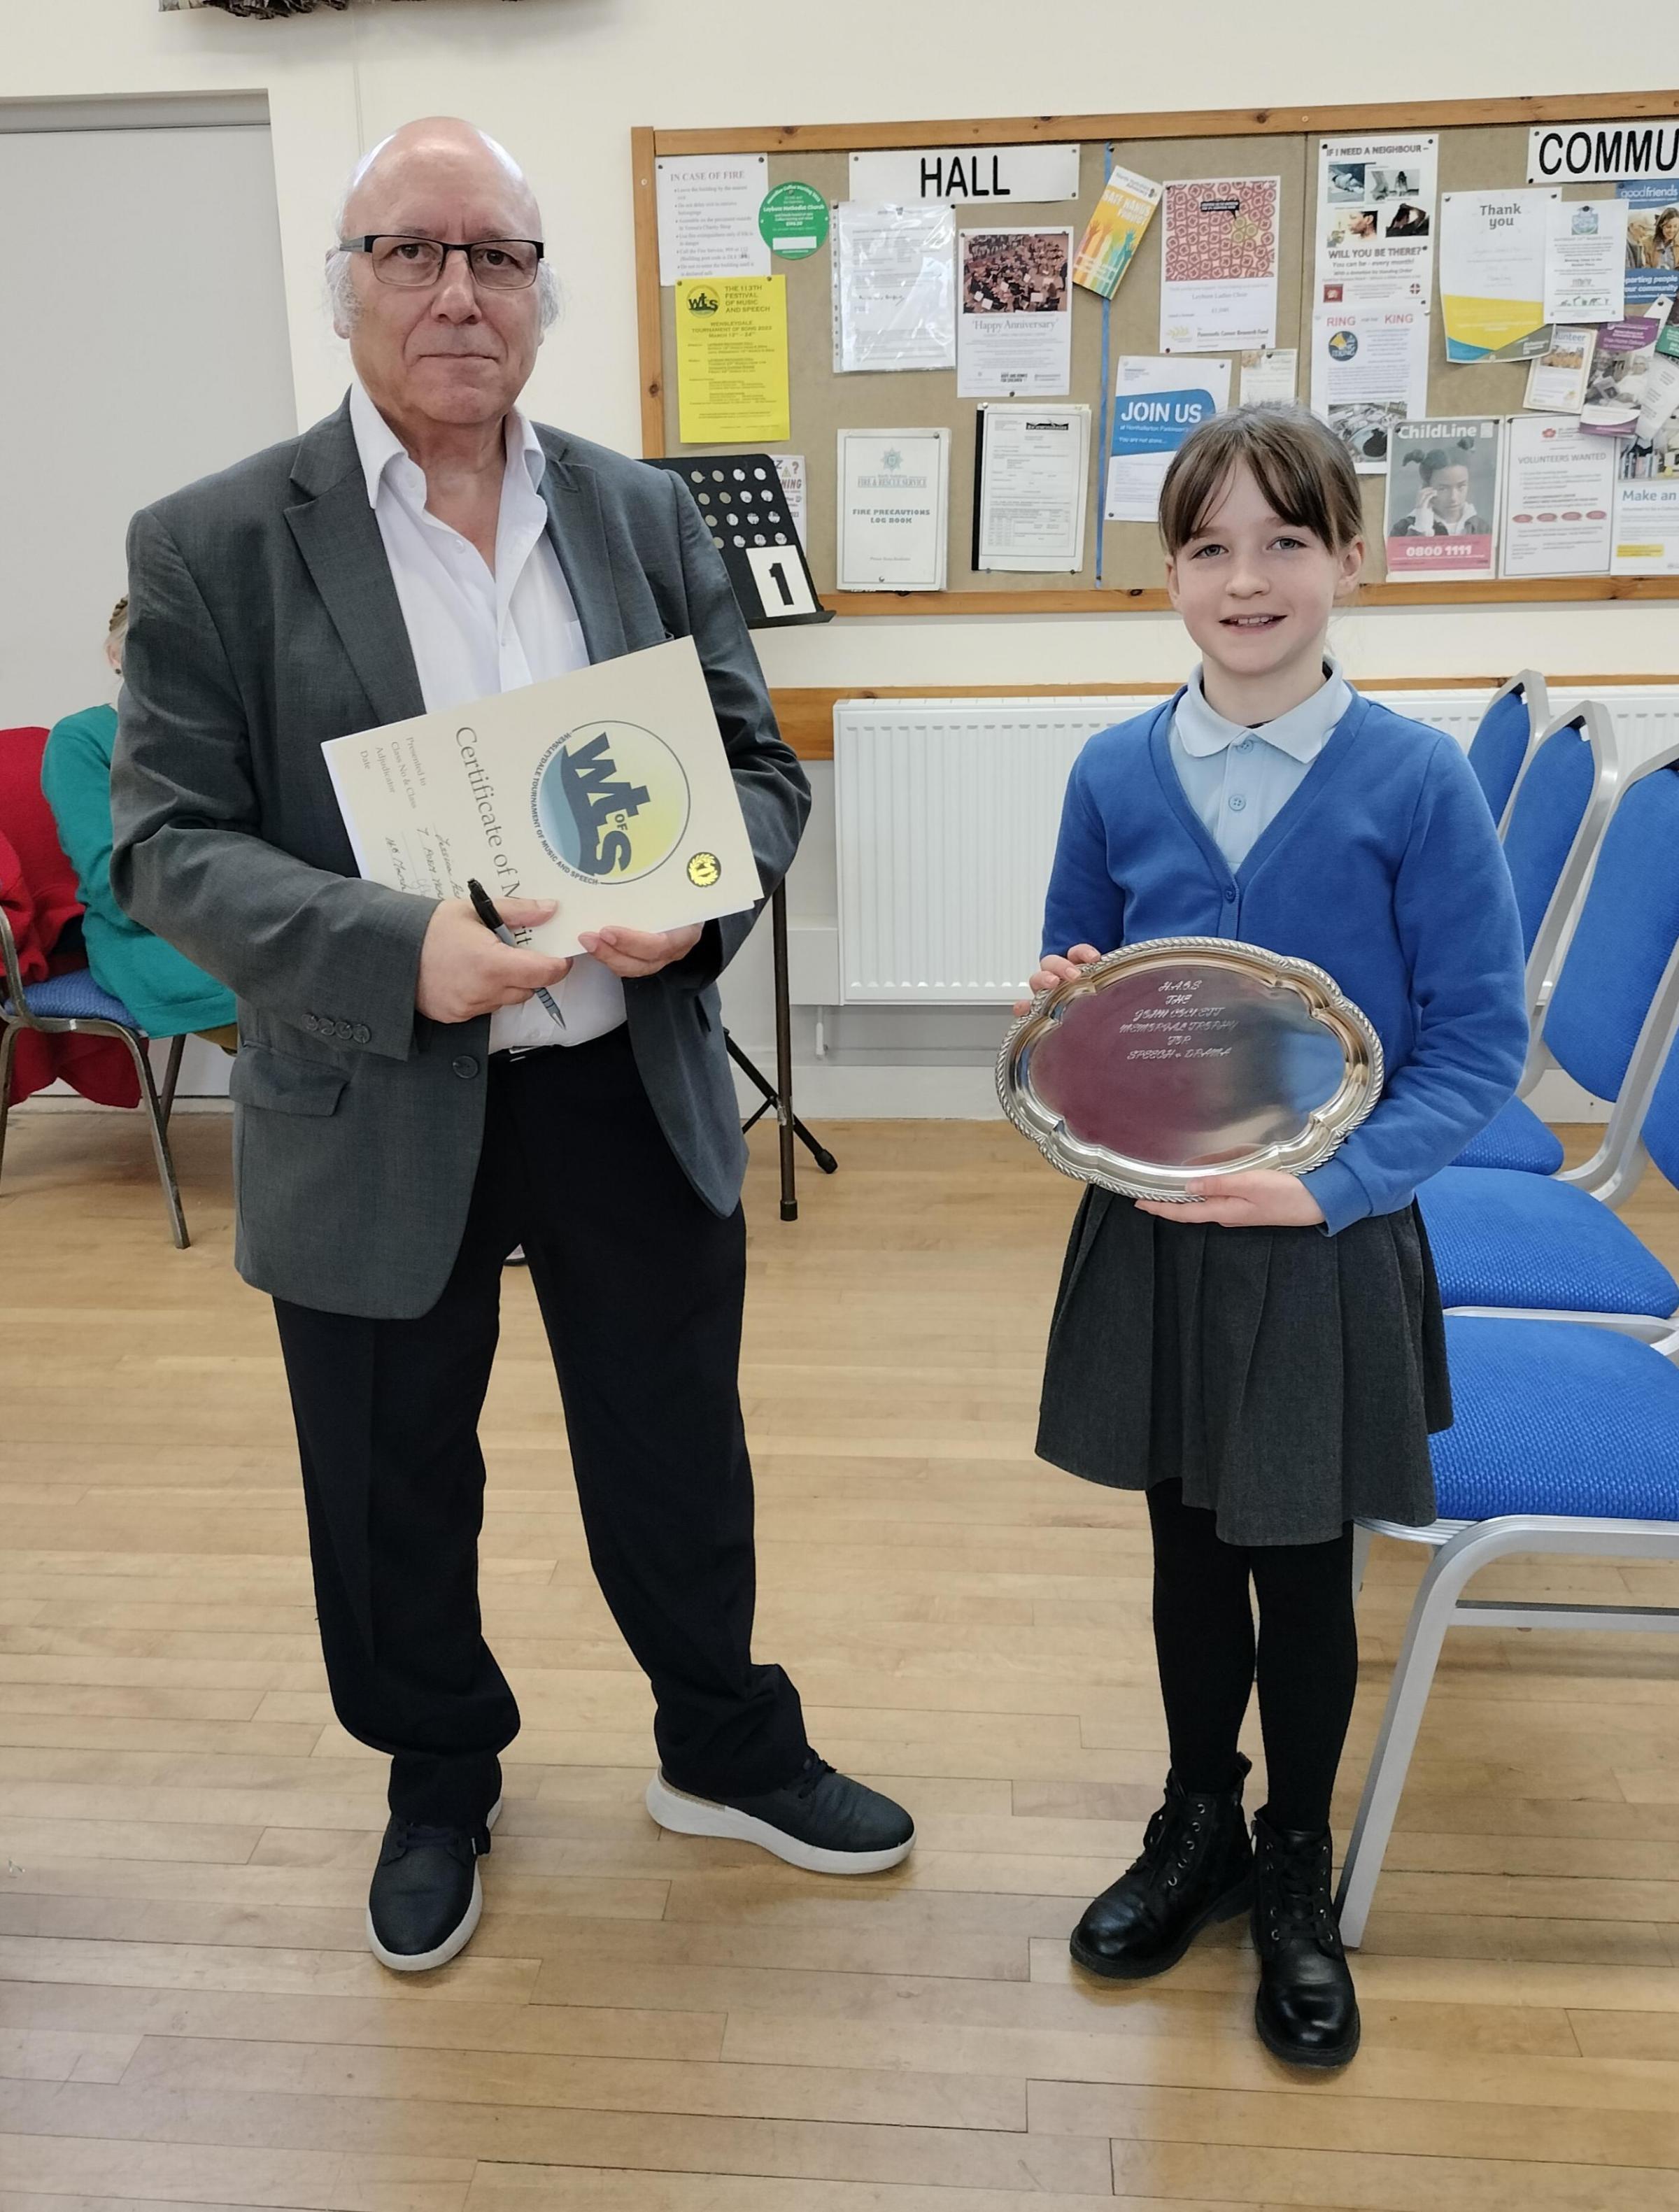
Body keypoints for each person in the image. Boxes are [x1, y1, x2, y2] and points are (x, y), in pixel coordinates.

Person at [111, 117, 914, 1976]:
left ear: (545, 293)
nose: (456, 290)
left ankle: (721, 1742)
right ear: (349, 285)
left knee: (674, 1441)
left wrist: (706, 907)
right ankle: (437, 1774)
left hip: (618, 1065)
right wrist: (405, 953)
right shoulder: (216, 541)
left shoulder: (640, 515)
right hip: (377, 1084)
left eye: (494, 256)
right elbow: (168, 842)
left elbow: (757, 767)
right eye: (412, 251)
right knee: (393, 1469)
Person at [1024, 404, 1526, 2069]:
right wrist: (1064, 1016)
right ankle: (1197, 1821)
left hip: (1320, 1237)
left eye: (1282, 542)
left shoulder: (1414, 778)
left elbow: (1472, 1039)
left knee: (1300, 1570)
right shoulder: (1109, 771)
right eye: (1206, 547)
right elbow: (1078, 982)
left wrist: (1331, 1182)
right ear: (1165, 572)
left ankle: (1293, 1857)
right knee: (1181, 1551)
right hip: (1159, 1230)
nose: (1244, 579)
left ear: (1346, 560)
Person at [41, 600, 236, 1051]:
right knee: (315, 1000)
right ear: (115, 656)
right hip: (151, 937)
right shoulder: (82, 738)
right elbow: (113, 881)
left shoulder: (222, 734)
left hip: (249, 917)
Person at [1391, 444, 1492, 538]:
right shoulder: (1402, 529)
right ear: (1426, 488)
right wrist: (1422, 528)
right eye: (1443, 488)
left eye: (1461, 486)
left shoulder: (1481, 528)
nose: (1454, 498)